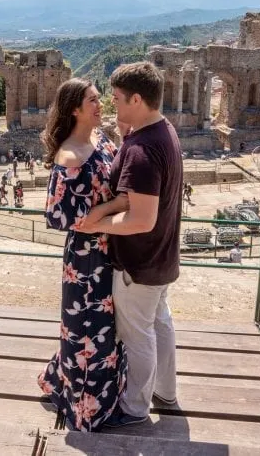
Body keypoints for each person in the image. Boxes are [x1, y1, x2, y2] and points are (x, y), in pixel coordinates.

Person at [76, 61, 182, 428]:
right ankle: (166, 392)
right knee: (160, 324)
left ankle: (135, 408)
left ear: (137, 98)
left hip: (139, 262)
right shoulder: (163, 130)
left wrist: (97, 223)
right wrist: (125, 137)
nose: (112, 105)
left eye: (119, 99)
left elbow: (141, 219)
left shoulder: (142, 151)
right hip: (163, 257)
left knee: (138, 336)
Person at [37, 78, 127, 432]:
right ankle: (85, 406)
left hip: (110, 249)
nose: (99, 103)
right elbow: (59, 216)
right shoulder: (70, 156)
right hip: (87, 261)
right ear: (75, 108)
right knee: (86, 330)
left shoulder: (101, 138)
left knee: (108, 329)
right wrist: (115, 207)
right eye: (92, 100)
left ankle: (102, 392)